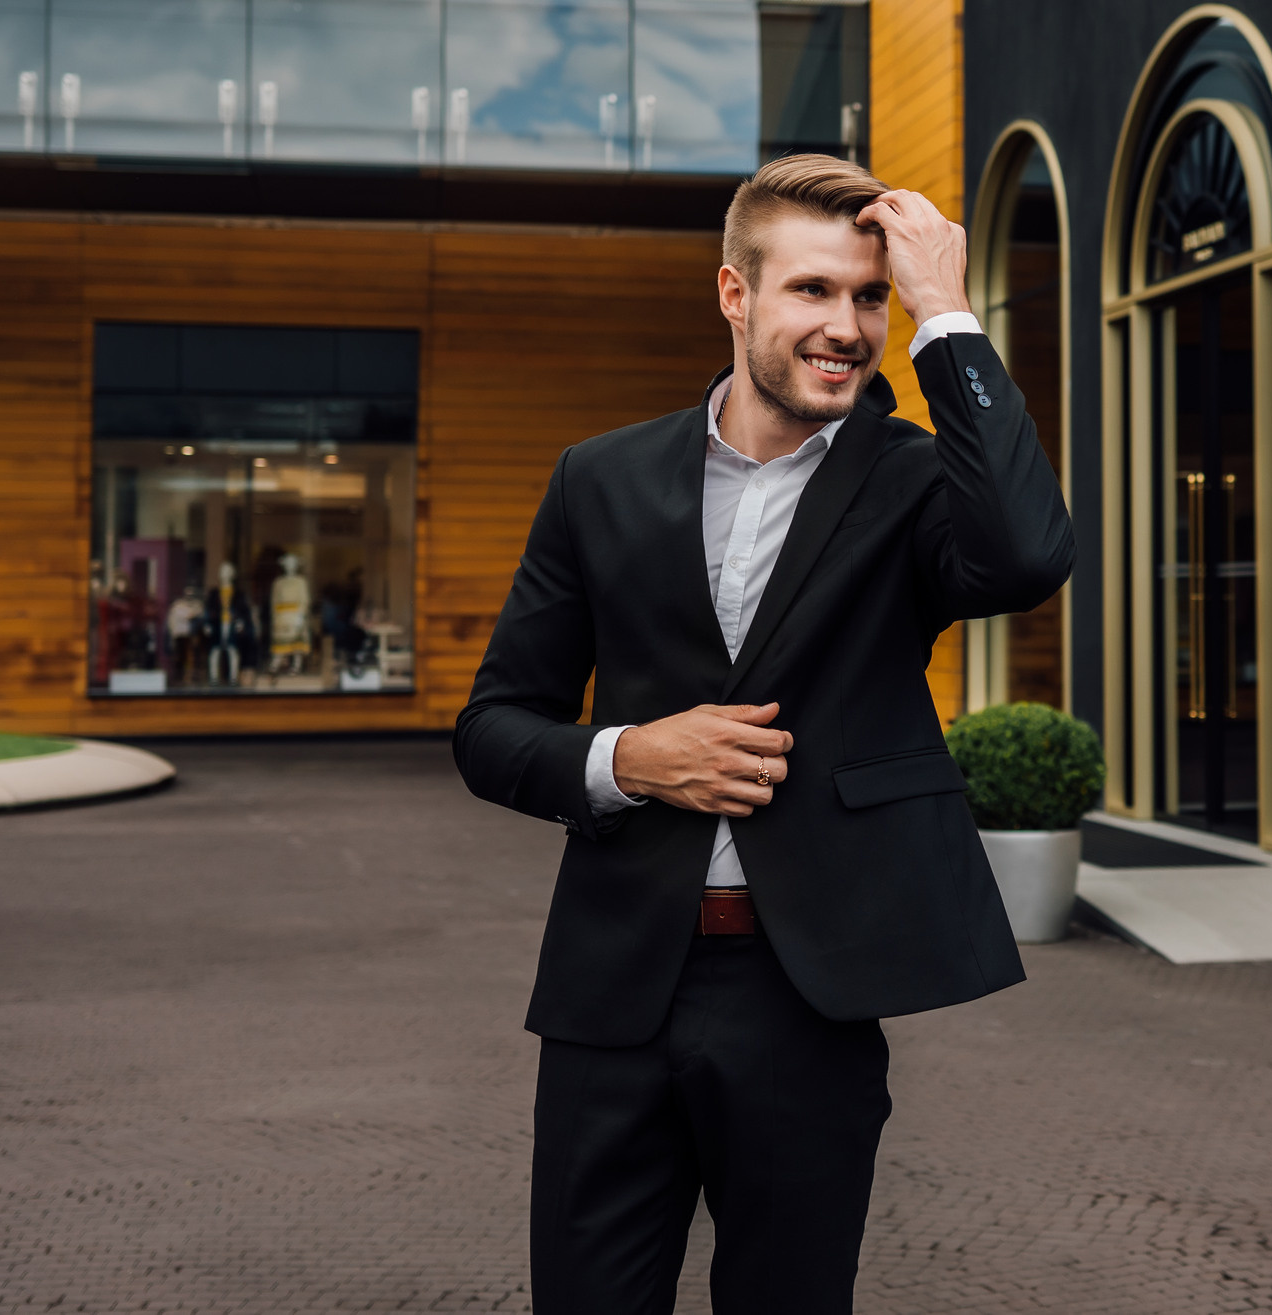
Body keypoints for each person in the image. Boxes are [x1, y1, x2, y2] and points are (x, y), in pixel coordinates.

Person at [454, 153, 1074, 1315]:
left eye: (870, 297)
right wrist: (629, 758)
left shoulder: (912, 484)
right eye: (812, 290)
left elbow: (1028, 555)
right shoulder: (597, 478)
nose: (846, 326)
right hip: (611, 986)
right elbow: (492, 728)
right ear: (735, 295)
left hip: (807, 996)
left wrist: (944, 311)